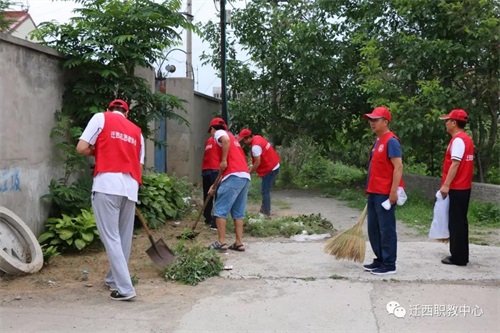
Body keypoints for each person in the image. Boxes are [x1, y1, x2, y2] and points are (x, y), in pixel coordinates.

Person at [76, 99, 144, 301]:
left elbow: (81, 147)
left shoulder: (100, 118)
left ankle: (125, 288)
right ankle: (113, 280)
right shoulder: (137, 131)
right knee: (123, 238)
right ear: (127, 113)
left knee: (111, 237)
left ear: (109, 109)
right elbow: (139, 167)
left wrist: (98, 151)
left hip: (107, 184)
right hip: (130, 187)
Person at [362, 106, 404, 276]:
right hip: (373, 192)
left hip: (385, 194)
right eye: (370, 120)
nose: (372, 123)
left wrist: (393, 192)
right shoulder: (378, 141)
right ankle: (379, 258)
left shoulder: (391, 141)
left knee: (386, 229)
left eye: (375, 120)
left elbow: (398, 166)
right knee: (374, 228)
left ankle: (389, 264)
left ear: (385, 122)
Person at [206, 117, 250, 252]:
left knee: (220, 209)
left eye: (211, 131)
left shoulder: (220, 134)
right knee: (238, 212)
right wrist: (214, 185)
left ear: (213, 129)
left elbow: (224, 142)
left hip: (233, 175)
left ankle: (221, 242)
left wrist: (223, 160)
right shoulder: (234, 140)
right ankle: (238, 243)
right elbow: (224, 170)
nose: (212, 135)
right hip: (244, 176)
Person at [438, 109, 474, 266]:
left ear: (454, 123)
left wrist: (446, 185)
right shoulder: (466, 139)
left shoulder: (458, 140)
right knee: (460, 222)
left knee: (456, 222)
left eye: (447, 120)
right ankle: (461, 255)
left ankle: (458, 257)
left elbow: (455, 163)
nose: (446, 123)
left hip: (457, 187)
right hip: (464, 186)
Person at [237, 128, 280, 217]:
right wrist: (249, 166)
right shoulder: (258, 137)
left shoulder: (255, 147)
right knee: (265, 190)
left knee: (265, 191)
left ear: (248, 138)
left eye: (243, 140)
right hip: (274, 164)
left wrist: (249, 172)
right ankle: (264, 208)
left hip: (270, 168)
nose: (243, 142)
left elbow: (257, 162)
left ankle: (266, 212)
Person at [202, 119, 226, 230]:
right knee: (217, 195)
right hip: (214, 170)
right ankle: (215, 221)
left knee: (208, 194)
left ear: (212, 128)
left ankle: (208, 218)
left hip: (207, 170)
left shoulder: (211, 140)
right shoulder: (217, 139)